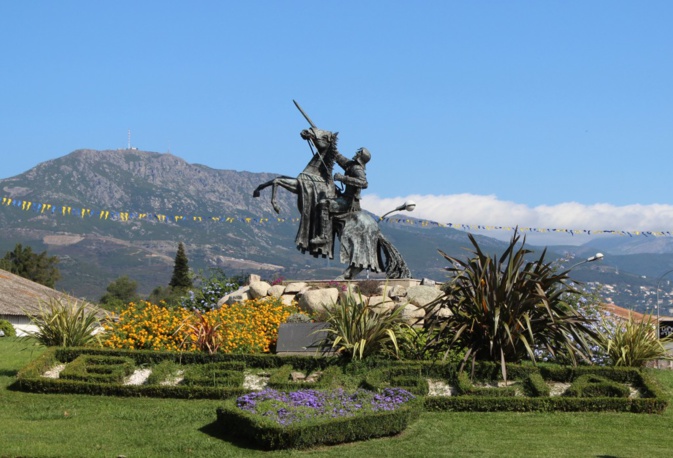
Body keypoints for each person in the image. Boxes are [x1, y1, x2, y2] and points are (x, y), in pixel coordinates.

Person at [310, 147, 371, 246]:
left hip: (349, 202)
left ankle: (323, 236)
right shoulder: (351, 165)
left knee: (324, 204)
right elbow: (338, 157)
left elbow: (364, 183)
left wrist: (343, 178)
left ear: (361, 157)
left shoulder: (357, 169)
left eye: (359, 153)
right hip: (344, 196)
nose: (356, 153)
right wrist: (328, 146)